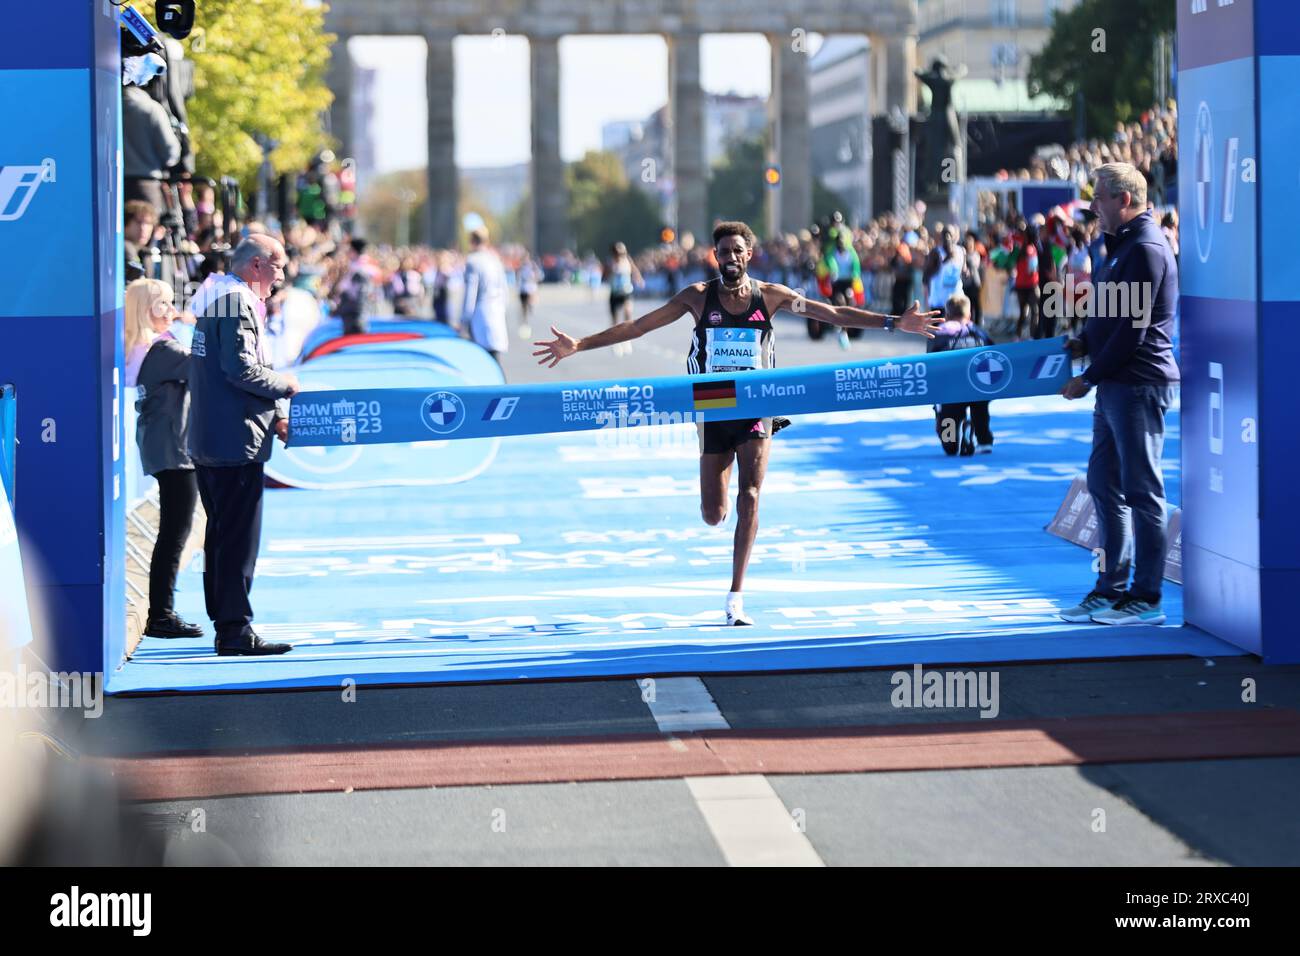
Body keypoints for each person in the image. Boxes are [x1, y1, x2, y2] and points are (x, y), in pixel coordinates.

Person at [534, 221, 942, 626]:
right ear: (717, 257)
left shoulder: (772, 296)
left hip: (757, 402)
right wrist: (580, 345)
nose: (729, 258)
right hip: (712, 404)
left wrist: (893, 322)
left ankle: (735, 597)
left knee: (751, 495)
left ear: (749, 254)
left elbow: (833, 313)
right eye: (722, 252)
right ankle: (723, 498)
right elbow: (640, 326)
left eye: (736, 251)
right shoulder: (696, 297)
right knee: (713, 513)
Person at [1059, 162, 1179, 626]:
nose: (1094, 209)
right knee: (1105, 486)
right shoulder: (1119, 247)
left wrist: (1088, 376)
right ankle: (1111, 588)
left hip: (1137, 384)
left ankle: (1146, 598)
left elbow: (1133, 330)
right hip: (1115, 384)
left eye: (1099, 200)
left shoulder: (1146, 248)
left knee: (1142, 491)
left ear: (1123, 200)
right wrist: (1083, 344)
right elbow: (1108, 317)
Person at [187, 235, 300, 656]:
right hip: (234, 438)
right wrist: (285, 386)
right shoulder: (235, 303)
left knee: (221, 534)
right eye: (279, 265)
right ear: (257, 265)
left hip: (216, 434)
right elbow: (243, 369)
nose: (282, 275)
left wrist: (276, 411)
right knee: (236, 537)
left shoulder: (216, 298)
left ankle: (226, 621)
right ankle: (234, 630)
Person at [124, 279, 204, 640]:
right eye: (164, 305)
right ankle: (161, 613)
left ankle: (162, 611)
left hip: (165, 445)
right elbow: (204, 370)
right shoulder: (164, 351)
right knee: (175, 531)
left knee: (174, 530)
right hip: (174, 449)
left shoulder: (146, 349)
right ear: (146, 310)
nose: (173, 311)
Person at [928, 292, 995, 456]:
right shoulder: (980, 333)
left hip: (950, 391)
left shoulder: (938, 334)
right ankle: (983, 438)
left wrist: (937, 410)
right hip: (979, 388)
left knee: (949, 448)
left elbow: (931, 366)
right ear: (969, 313)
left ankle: (952, 439)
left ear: (947, 314)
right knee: (981, 411)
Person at [122, 54, 181, 219]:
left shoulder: (101, 107)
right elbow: (170, 153)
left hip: (109, 186)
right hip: (146, 188)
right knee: (145, 240)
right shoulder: (151, 109)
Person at [461, 227, 510, 365]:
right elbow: (504, 290)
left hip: (480, 315)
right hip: (496, 311)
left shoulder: (473, 261)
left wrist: (464, 321)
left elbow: (470, 294)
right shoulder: (495, 260)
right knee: (495, 359)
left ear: (472, 241)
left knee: (482, 362)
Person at [607, 242, 643, 357]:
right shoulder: (610, 262)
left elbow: (634, 270)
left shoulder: (627, 260)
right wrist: (612, 270)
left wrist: (639, 278)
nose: (621, 254)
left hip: (626, 292)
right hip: (615, 293)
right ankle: (616, 343)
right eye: (618, 252)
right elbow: (605, 274)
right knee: (615, 321)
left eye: (623, 252)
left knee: (628, 314)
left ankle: (627, 340)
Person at [332, 238, 372, 335]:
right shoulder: (355, 266)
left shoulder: (359, 269)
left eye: (349, 250)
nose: (347, 253)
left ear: (354, 252)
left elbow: (359, 293)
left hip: (355, 311)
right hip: (351, 309)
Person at [123, 200, 158, 283]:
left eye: (148, 223)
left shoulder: (144, 253)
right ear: (125, 224)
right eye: (138, 222)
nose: (143, 228)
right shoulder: (125, 249)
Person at [517, 256, 542, 339]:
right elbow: (518, 278)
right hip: (523, 289)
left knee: (531, 302)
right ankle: (524, 319)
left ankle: (531, 307)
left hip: (530, 288)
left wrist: (534, 279)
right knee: (523, 307)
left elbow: (539, 276)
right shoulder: (520, 268)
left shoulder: (533, 266)